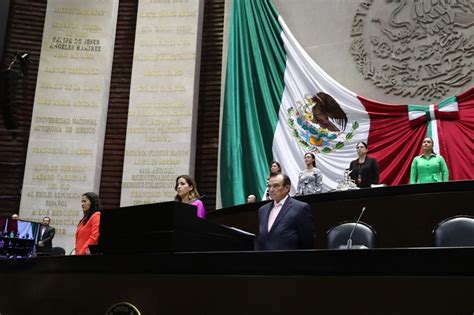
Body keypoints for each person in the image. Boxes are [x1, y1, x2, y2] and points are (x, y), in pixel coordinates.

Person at [257, 173, 315, 250]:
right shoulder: (262, 210)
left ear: (286, 188)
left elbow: (308, 241)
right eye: (269, 186)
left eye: (275, 186)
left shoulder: (300, 208)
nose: (271, 189)